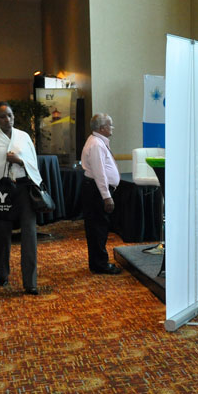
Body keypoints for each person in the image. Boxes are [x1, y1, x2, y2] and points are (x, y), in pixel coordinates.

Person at [0, 101, 43, 294]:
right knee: (3, 233)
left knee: (29, 233)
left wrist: (20, 161)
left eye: (10, 115)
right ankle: (2, 273)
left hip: (24, 189)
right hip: (2, 191)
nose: (8, 119)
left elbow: (32, 163)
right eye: (3, 116)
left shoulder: (23, 136)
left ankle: (30, 282)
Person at [80, 113, 122, 275]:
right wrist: (106, 196)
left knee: (98, 227)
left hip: (95, 189)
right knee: (98, 228)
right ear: (102, 128)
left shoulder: (97, 141)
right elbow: (100, 173)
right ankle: (100, 264)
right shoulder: (96, 144)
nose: (112, 128)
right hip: (96, 191)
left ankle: (98, 262)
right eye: (110, 125)